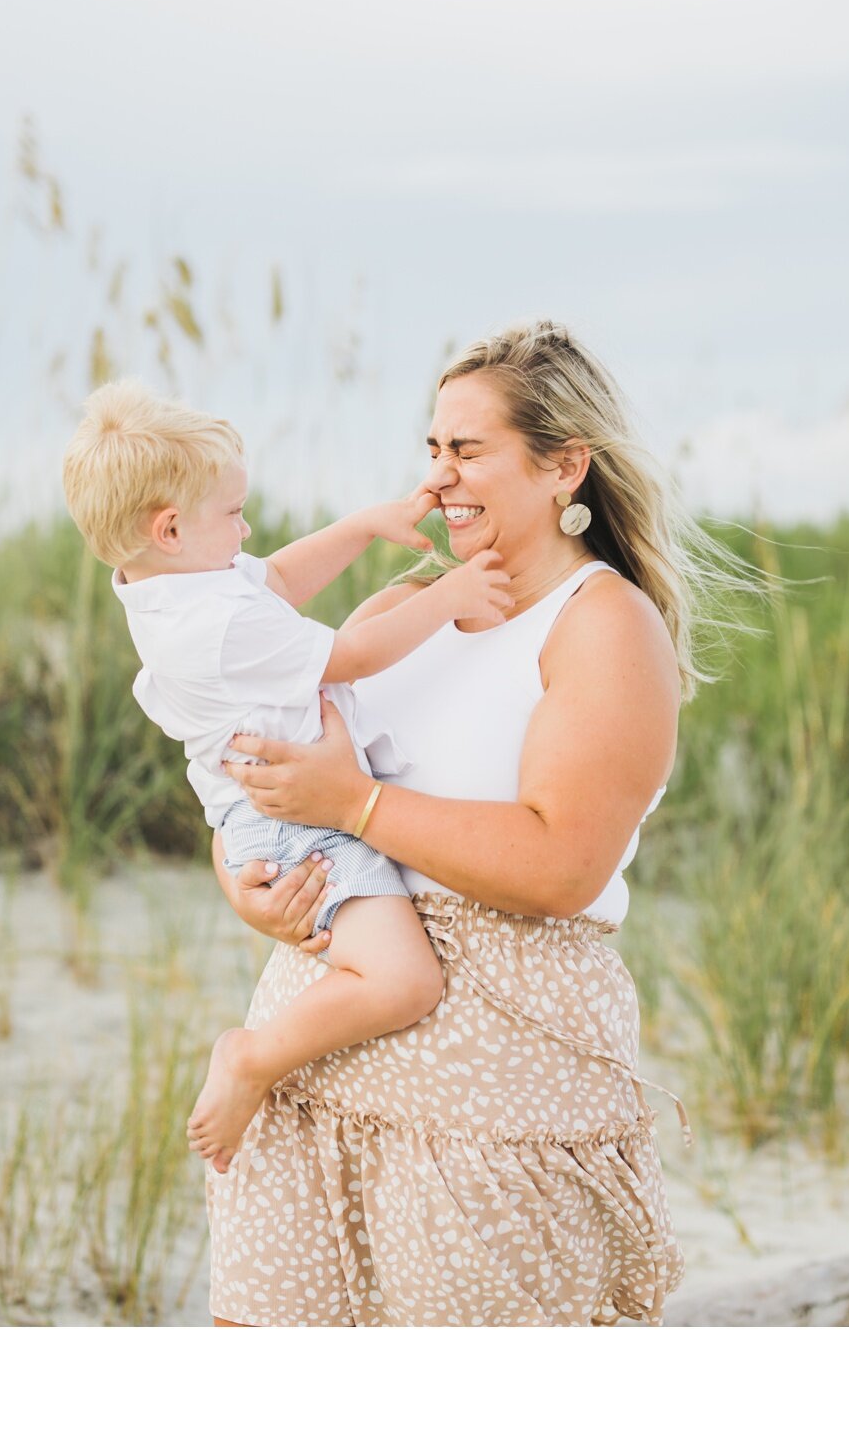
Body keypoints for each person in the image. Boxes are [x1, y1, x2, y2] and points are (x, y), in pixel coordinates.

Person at [203, 320, 734, 1327]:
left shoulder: (600, 624)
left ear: (560, 465)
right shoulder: (410, 599)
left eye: (467, 448)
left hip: (494, 1080)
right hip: (312, 1047)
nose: (438, 476)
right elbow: (273, 759)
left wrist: (353, 806)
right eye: (430, 448)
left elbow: (559, 862)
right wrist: (245, 880)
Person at [61, 380, 515, 1174]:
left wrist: (366, 527)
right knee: (406, 981)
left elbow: (271, 580)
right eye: (233, 513)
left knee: (386, 967)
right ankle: (254, 1057)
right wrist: (452, 595)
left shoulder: (171, 583)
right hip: (292, 823)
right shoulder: (217, 627)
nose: (247, 528)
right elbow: (353, 654)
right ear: (169, 528)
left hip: (272, 812)